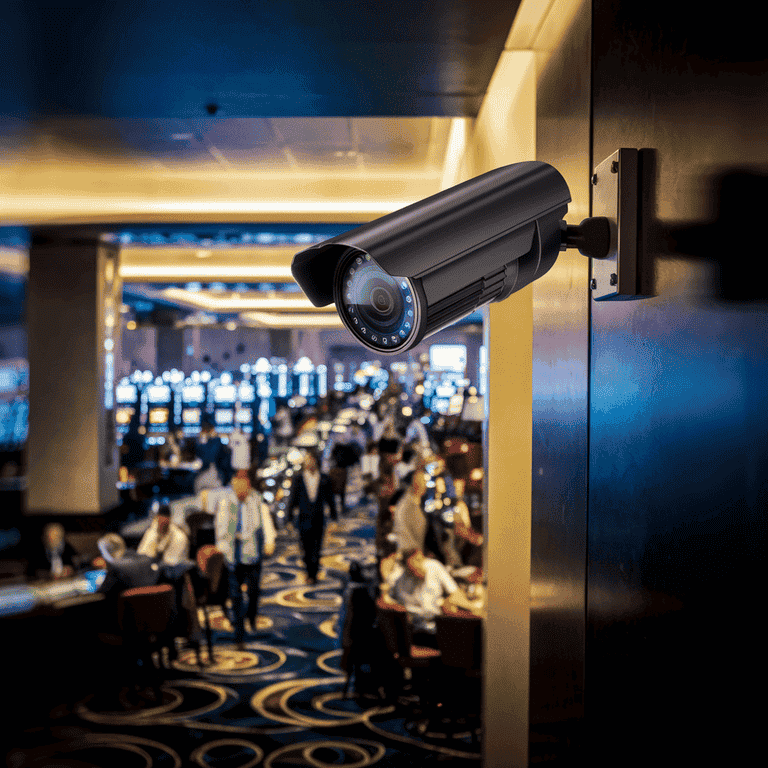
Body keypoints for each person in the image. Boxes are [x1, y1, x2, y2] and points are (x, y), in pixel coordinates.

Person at [214, 470, 276, 648]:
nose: (239, 492)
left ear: (248, 487)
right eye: (236, 488)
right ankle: (239, 635)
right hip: (233, 557)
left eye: (242, 488)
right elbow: (221, 528)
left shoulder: (257, 501)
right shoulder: (226, 503)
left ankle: (251, 615)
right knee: (235, 596)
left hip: (252, 554)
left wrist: (270, 540)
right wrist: (222, 550)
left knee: (254, 592)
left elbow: (266, 522)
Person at [389, 548, 481, 648]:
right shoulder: (398, 579)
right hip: (412, 633)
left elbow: (455, 592)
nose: (419, 566)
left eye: (420, 560)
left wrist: (470, 607)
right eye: (413, 564)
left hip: (437, 627)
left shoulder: (434, 566)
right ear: (406, 567)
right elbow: (390, 604)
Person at [285, 448, 338, 585]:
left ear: (316, 461)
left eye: (311, 460)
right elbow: (292, 499)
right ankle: (309, 571)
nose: (309, 463)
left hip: (319, 518)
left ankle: (313, 574)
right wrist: (288, 518)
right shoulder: (298, 479)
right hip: (303, 519)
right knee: (306, 548)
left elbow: (330, 499)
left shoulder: (324, 478)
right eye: (306, 460)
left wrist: (334, 517)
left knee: (317, 548)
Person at [392, 469, 429, 554]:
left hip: (414, 554)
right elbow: (408, 536)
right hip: (411, 556)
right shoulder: (409, 506)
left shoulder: (413, 502)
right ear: (414, 483)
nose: (425, 484)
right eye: (422, 481)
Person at [194, 420, 232, 492]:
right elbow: (199, 455)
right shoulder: (210, 442)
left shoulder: (217, 442)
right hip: (213, 474)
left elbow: (209, 458)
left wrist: (203, 441)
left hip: (218, 476)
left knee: (196, 483)